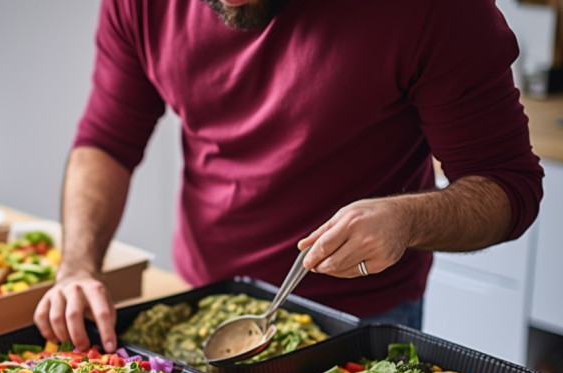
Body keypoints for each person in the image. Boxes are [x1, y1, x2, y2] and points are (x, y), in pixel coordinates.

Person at [33, 0, 544, 353]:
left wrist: (405, 219)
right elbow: (105, 143)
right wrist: (78, 265)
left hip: (359, 322)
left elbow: (508, 186)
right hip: (201, 299)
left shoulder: (434, 10)